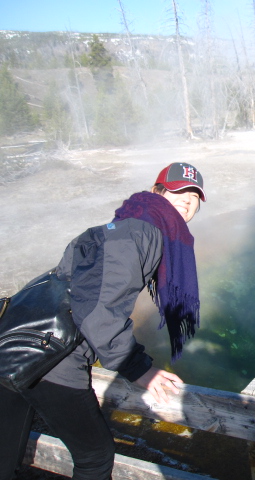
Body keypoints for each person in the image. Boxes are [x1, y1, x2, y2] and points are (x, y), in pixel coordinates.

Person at [0, 162, 206, 480]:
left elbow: (78, 285)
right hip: (55, 356)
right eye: (177, 190)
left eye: (193, 194)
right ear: (156, 192)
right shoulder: (142, 230)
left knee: (7, 450)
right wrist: (140, 369)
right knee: (95, 456)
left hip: (17, 342)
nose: (187, 198)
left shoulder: (122, 225)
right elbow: (99, 312)